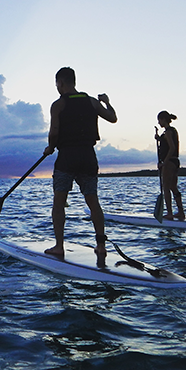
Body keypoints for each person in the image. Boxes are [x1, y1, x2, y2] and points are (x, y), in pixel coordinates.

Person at [43, 67, 117, 262]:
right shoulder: (92, 102)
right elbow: (113, 118)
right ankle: (101, 246)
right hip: (88, 156)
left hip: (67, 157)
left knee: (59, 202)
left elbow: (54, 131)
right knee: (93, 201)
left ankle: (59, 246)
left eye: (57, 84)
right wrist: (107, 102)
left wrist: (50, 147)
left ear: (61, 83)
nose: (57, 88)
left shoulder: (58, 104)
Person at [155, 110, 185, 220]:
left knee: (166, 187)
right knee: (173, 187)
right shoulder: (172, 131)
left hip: (169, 163)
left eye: (159, 120)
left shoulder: (168, 132)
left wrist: (164, 163)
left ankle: (169, 213)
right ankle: (181, 212)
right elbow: (168, 144)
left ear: (163, 119)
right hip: (175, 162)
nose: (159, 122)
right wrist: (159, 138)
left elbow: (172, 148)